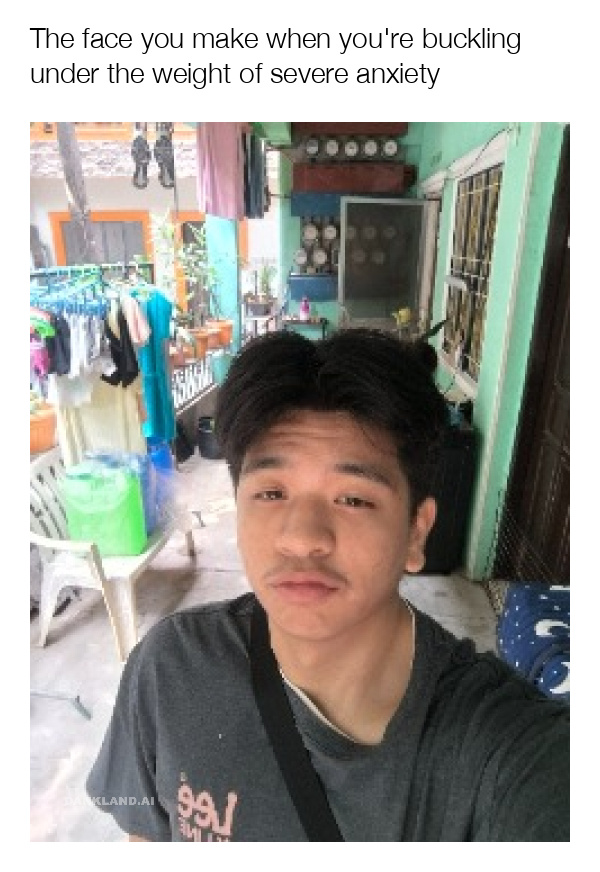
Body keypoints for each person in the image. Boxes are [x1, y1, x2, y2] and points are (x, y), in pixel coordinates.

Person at [86, 328, 569, 842]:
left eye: (353, 499)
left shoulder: (507, 752)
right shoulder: (169, 670)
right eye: (271, 492)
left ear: (416, 531)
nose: (302, 538)